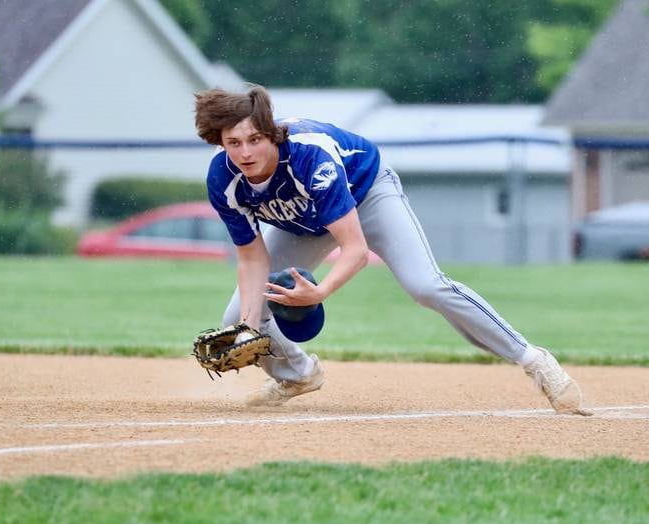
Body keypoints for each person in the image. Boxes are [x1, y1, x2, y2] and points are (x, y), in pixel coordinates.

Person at [194, 84, 589, 415]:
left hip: (366, 198)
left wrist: (320, 293)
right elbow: (251, 257)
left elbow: (355, 250)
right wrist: (249, 323)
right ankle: (297, 374)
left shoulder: (311, 157)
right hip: (304, 223)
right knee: (238, 316)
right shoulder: (223, 177)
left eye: (255, 139)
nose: (245, 152)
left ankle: (534, 360)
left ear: (271, 133)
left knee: (425, 286)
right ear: (220, 142)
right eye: (233, 143)